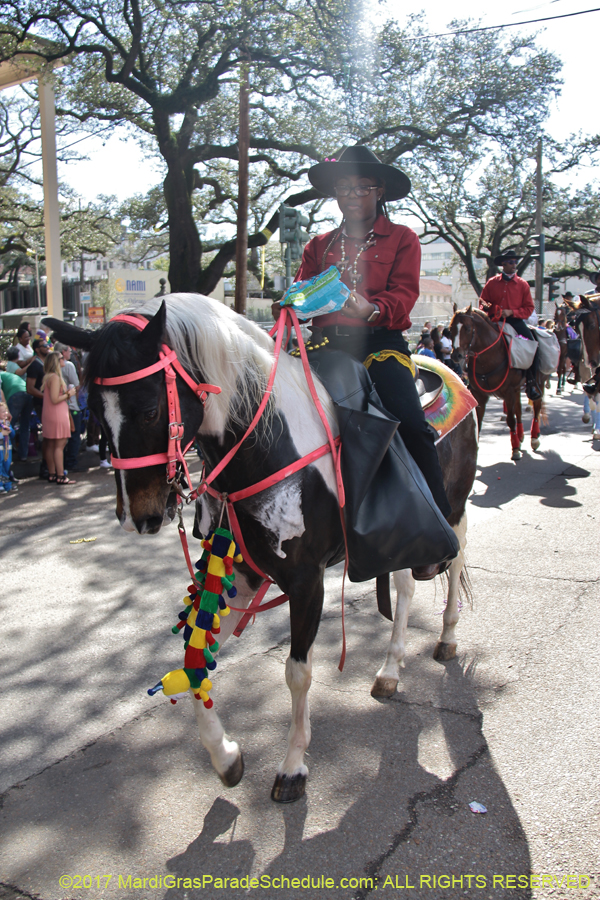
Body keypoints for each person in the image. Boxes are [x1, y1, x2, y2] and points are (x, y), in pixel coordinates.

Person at [277, 144, 451, 580]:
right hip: (323, 347)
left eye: (362, 187)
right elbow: (300, 292)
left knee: (412, 426)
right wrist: (292, 306)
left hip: (379, 343)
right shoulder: (319, 245)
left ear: (380, 191)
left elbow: (404, 296)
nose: (352, 195)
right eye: (344, 188)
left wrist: (369, 309)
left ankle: (435, 533)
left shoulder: (403, 238)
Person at [479, 248, 542, 400]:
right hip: (494, 320)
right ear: (503, 264)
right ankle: (472, 378)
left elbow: (529, 308)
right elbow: (482, 302)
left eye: (515, 262)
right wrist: (489, 308)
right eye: (511, 262)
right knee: (476, 341)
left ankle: (531, 382)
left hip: (515, 322)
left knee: (533, 345)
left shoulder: (523, 285)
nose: (514, 265)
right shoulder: (492, 283)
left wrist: (512, 312)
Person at [41, 351, 76, 485]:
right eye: (61, 358)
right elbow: (55, 399)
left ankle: (52, 473)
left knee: (50, 445)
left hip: (49, 413)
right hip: (57, 413)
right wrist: (69, 394)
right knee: (59, 446)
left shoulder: (48, 377)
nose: (63, 360)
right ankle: (61, 475)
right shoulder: (55, 377)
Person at [53, 341, 81, 471]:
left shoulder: (51, 368)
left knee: (61, 437)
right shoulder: (68, 365)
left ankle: (61, 463)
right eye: (69, 351)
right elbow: (76, 385)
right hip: (71, 406)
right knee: (74, 435)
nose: (70, 353)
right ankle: (71, 463)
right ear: (63, 352)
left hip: (59, 407)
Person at [26, 339, 51, 477]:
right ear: (37, 349)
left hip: (50, 403)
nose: (47, 347)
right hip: (41, 404)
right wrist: (46, 397)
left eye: (48, 345)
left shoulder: (46, 363)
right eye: (44, 346)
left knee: (52, 436)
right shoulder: (34, 366)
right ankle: (45, 467)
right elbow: (30, 388)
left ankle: (51, 465)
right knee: (48, 435)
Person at [0, 370, 34, 462]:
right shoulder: (8, 375)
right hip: (28, 394)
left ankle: (7, 454)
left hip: (16, 395)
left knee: (7, 425)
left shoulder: (1, 376)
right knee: (25, 426)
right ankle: (23, 455)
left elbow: (1, 395)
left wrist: (6, 410)